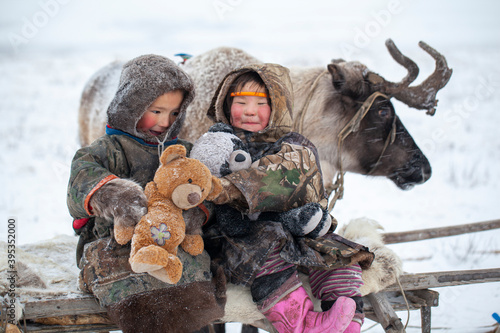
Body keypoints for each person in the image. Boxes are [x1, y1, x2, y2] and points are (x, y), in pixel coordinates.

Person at [204, 63, 370, 333]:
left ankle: (347, 320)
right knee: (267, 246)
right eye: (240, 102)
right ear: (225, 103)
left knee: (333, 249)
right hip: (238, 237)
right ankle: (303, 325)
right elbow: (211, 184)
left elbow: (303, 182)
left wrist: (304, 217)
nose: (249, 111)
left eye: (260, 103)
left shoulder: (293, 143)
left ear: (277, 105)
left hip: (293, 227)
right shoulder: (218, 143)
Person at [67, 54, 226, 333]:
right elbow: (80, 179)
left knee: (195, 284)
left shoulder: (183, 153)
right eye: (156, 110)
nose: (165, 121)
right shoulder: (108, 148)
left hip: (172, 243)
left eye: (174, 113)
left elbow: (204, 189)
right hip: (113, 242)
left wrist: (196, 209)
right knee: (133, 285)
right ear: (130, 106)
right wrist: (113, 195)